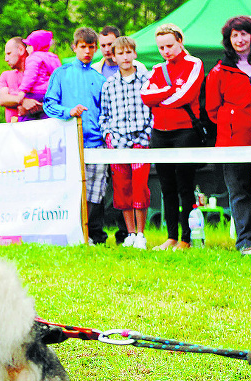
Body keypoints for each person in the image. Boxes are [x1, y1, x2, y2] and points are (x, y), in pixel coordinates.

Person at [141, 23, 204, 251]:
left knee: (185, 186)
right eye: (161, 47)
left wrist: (161, 101)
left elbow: (186, 96)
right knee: (166, 185)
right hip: (160, 133)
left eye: (169, 45)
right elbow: (145, 95)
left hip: (185, 131)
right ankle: (171, 237)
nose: (165, 51)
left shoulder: (194, 63)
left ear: (180, 41)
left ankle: (186, 238)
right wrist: (168, 93)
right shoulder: (157, 69)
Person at [44, 27, 109, 245]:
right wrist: (68, 112)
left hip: (96, 143)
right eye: (83, 47)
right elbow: (49, 104)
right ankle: (71, 233)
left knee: (96, 191)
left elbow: (105, 112)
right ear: (75, 47)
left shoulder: (99, 79)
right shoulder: (61, 73)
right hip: (69, 142)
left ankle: (90, 234)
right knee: (71, 189)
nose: (88, 52)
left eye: (92, 48)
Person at [207, 16, 251, 254]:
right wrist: (232, 122)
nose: (240, 39)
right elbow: (211, 110)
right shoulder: (219, 70)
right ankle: (246, 242)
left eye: (244, 34)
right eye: (234, 35)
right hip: (233, 143)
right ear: (229, 40)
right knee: (239, 192)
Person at [99, 37, 153, 249]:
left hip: (141, 140)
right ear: (114, 56)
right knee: (122, 189)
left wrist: (147, 134)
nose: (125, 57)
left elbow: (153, 110)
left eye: (129, 52)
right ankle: (130, 233)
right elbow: (104, 115)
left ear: (135, 54)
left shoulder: (146, 80)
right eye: (120, 53)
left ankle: (141, 233)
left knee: (140, 187)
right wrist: (109, 136)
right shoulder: (109, 85)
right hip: (118, 143)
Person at [15, 30, 61, 114]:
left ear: (37, 45)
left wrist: (22, 91)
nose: (27, 48)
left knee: (24, 116)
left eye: (29, 45)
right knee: (46, 116)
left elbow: (30, 76)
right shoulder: (53, 58)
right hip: (49, 93)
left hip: (35, 92)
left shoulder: (33, 58)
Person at [0, 37, 42, 123]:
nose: (6, 59)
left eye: (9, 53)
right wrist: (23, 101)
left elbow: (52, 100)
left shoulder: (40, 74)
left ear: (21, 50)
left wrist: (36, 108)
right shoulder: (6, 75)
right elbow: (3, 99)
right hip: (13, 132)